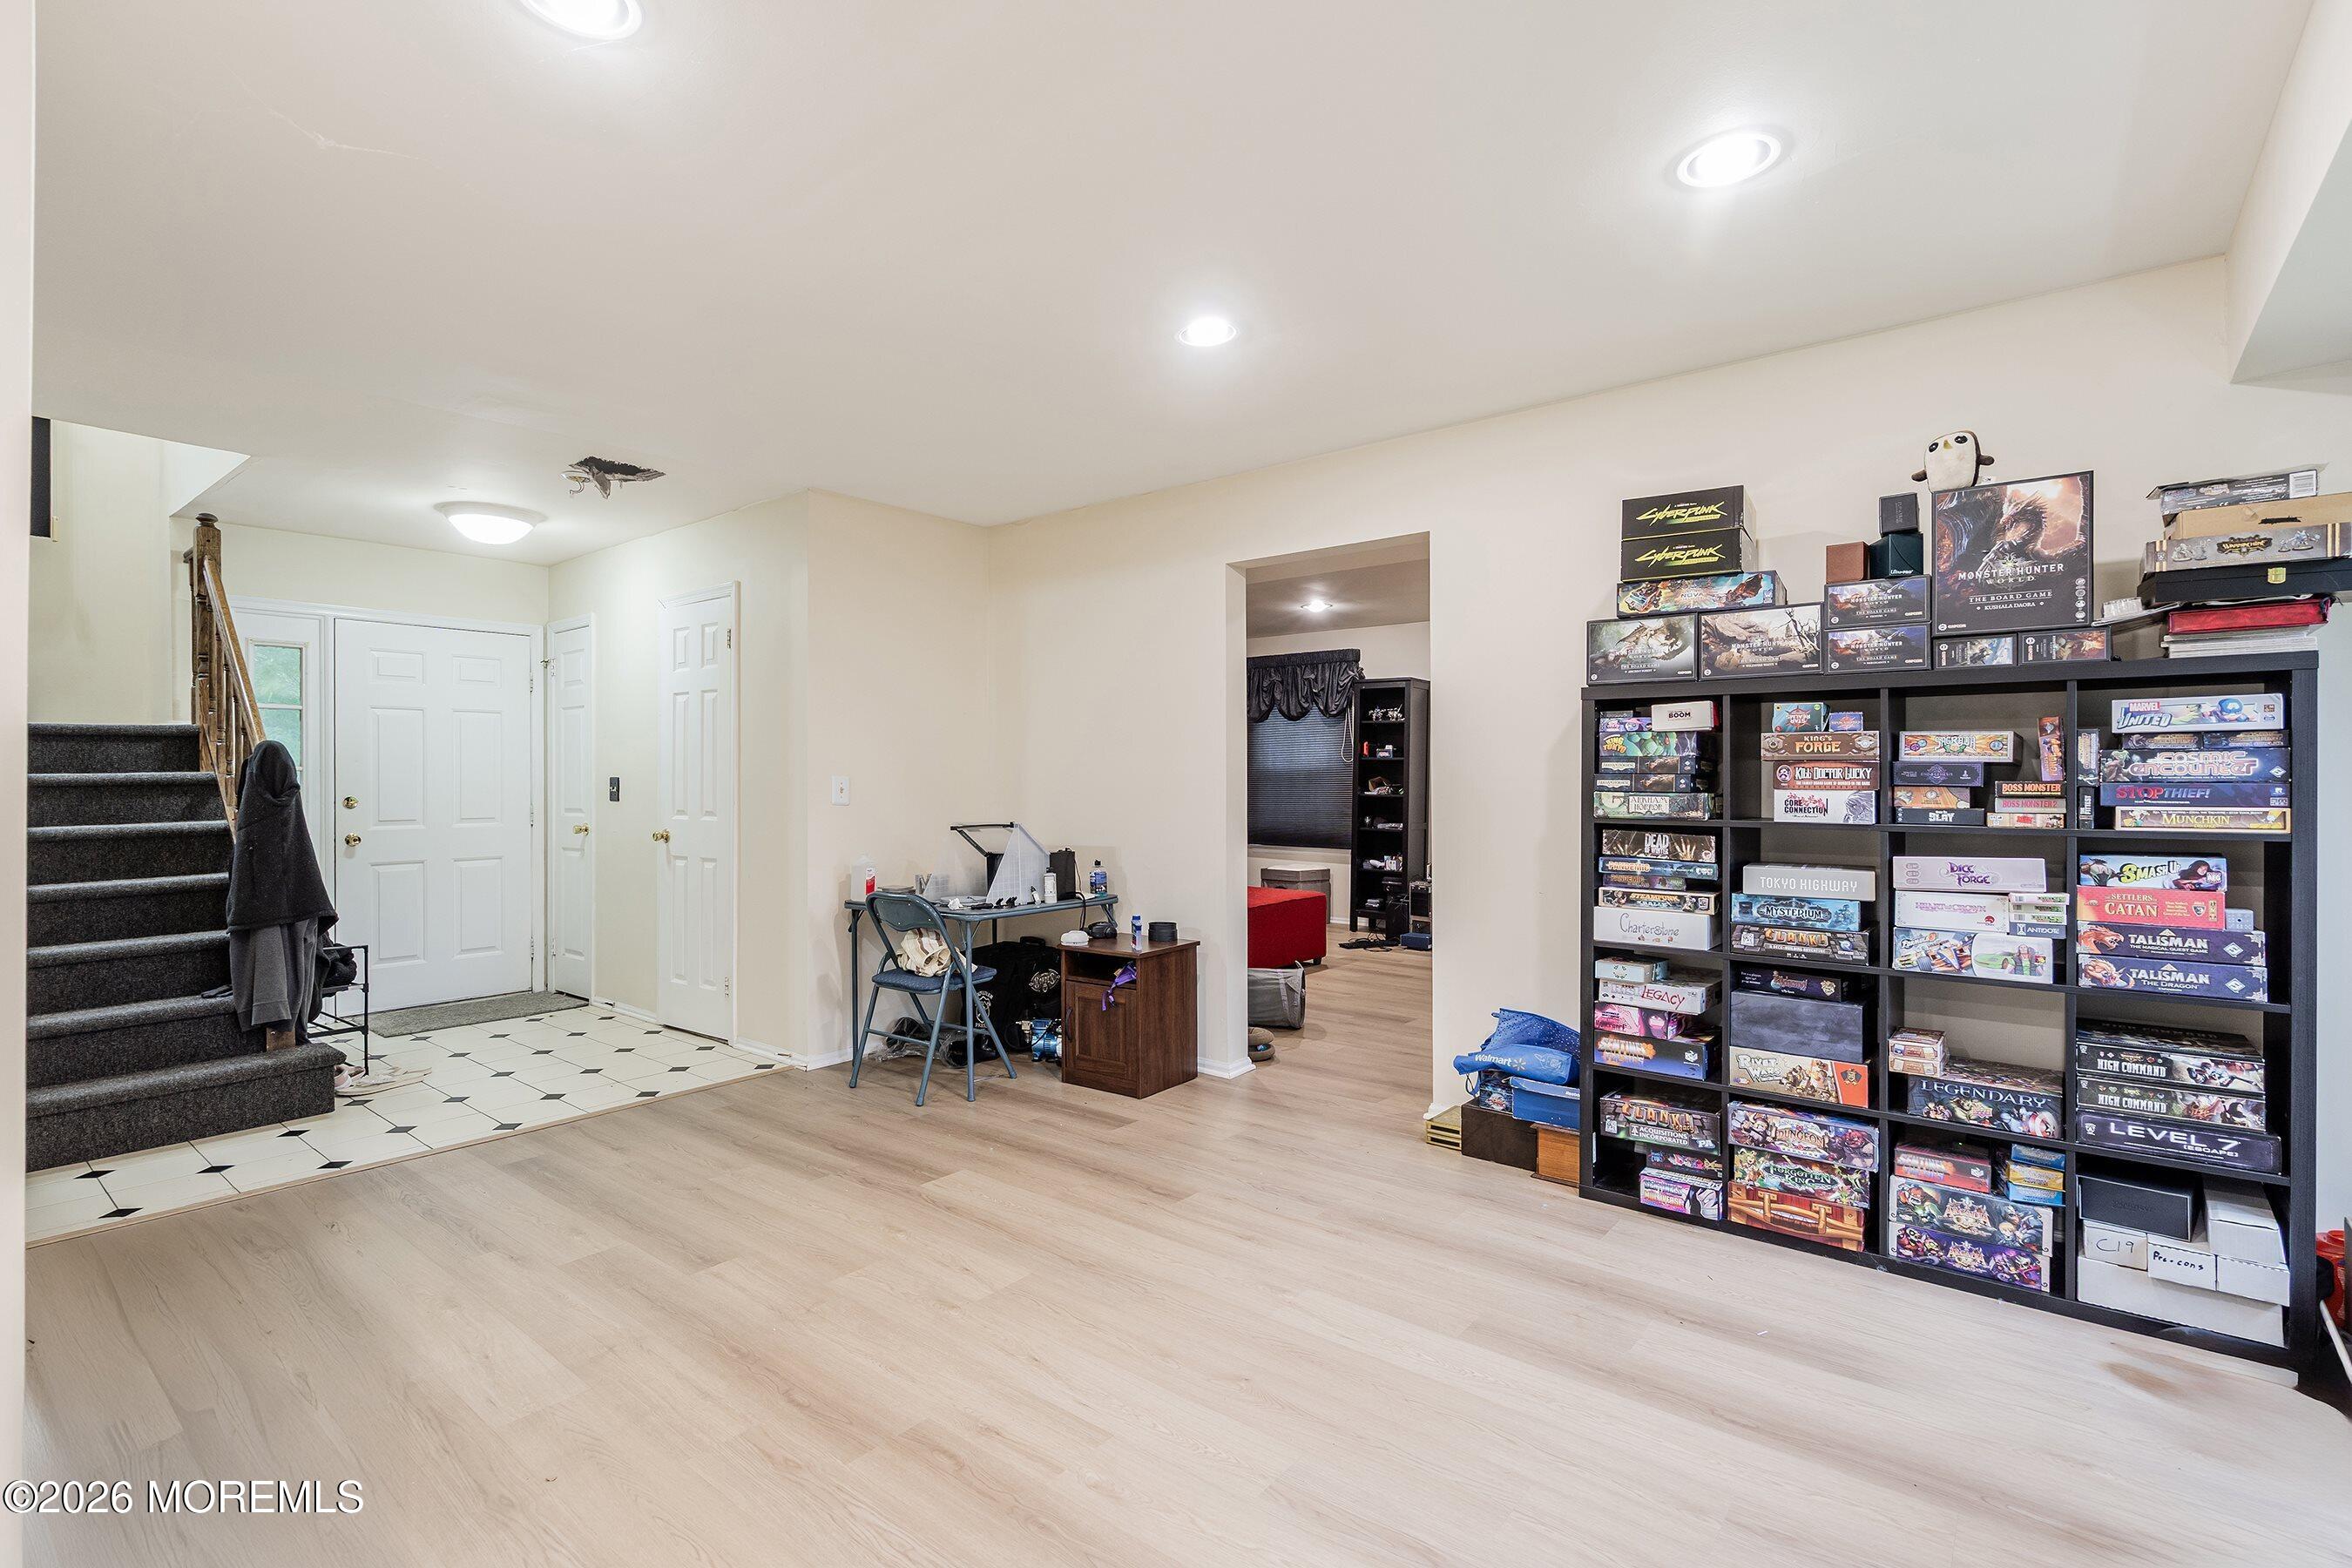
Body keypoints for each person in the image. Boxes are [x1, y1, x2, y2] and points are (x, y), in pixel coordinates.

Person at [225, 740, 338, 1049]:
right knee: (292, 963)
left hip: (271, 915)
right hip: (293, 912)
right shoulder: (287, 815)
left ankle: (295, 1040)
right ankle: (295, 1040)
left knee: (283, 960)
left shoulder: (252, 821)